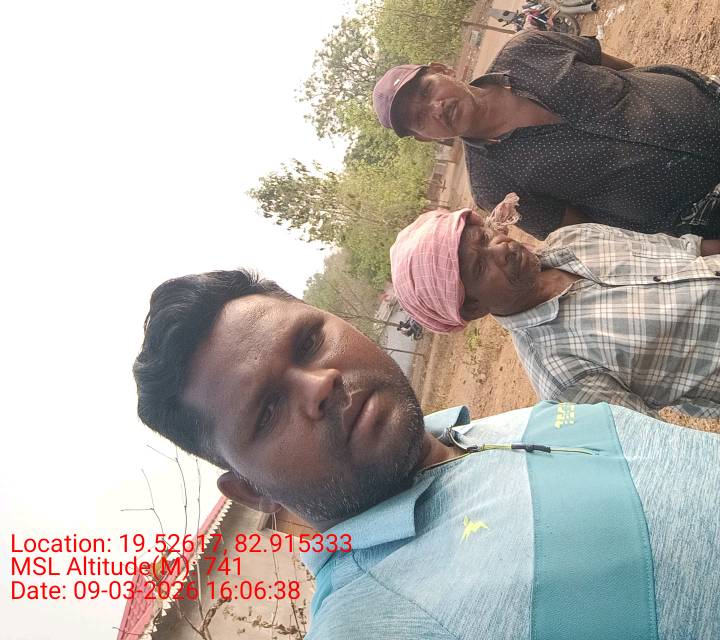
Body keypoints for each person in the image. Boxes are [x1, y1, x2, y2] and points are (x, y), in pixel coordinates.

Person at [133, 269, 720, 639]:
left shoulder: (479, 432)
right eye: (266, 411)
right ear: (253, 490)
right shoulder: (370, 621)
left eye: (309, 341)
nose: (320, 384)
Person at [372, 31, 720, 239]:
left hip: (708, 105)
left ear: (442, 70)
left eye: (427, 90)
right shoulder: (493, 187)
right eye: (419, 118)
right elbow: (584, 232)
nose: (435, 108)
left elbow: (624, 70)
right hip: (699, 209)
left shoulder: (528, 49)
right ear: (424, 137)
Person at [390, 207, 720, 418]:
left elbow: (684, 249)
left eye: (485, 236)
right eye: (480, 266)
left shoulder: (571, 238)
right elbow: (662, 441)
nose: (500, 248)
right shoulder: (561, 376)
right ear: (473, 307)